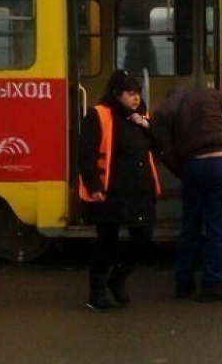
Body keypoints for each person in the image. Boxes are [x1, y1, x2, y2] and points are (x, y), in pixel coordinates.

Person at [78, 70, 161, 311]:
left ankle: (118, 280)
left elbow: (159, 144)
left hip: (140, 190)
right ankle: (97, 293)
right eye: (130, 94)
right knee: (106, 243)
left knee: (142, 238)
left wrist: (145, 124)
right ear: (117, 94)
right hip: (110, 191)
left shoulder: (142, 116)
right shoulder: (98, 115)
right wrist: (93, 185)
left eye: (138, 94)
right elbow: (86, 153)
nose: (136, 99)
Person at [152, 86, 222, 302]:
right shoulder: (210, 94)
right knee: (216, 228)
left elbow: (163, 148)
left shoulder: (164, 110)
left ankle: (183, 283)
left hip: (193, 166)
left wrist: (180, 170)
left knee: (190, 227)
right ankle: (212, 284)